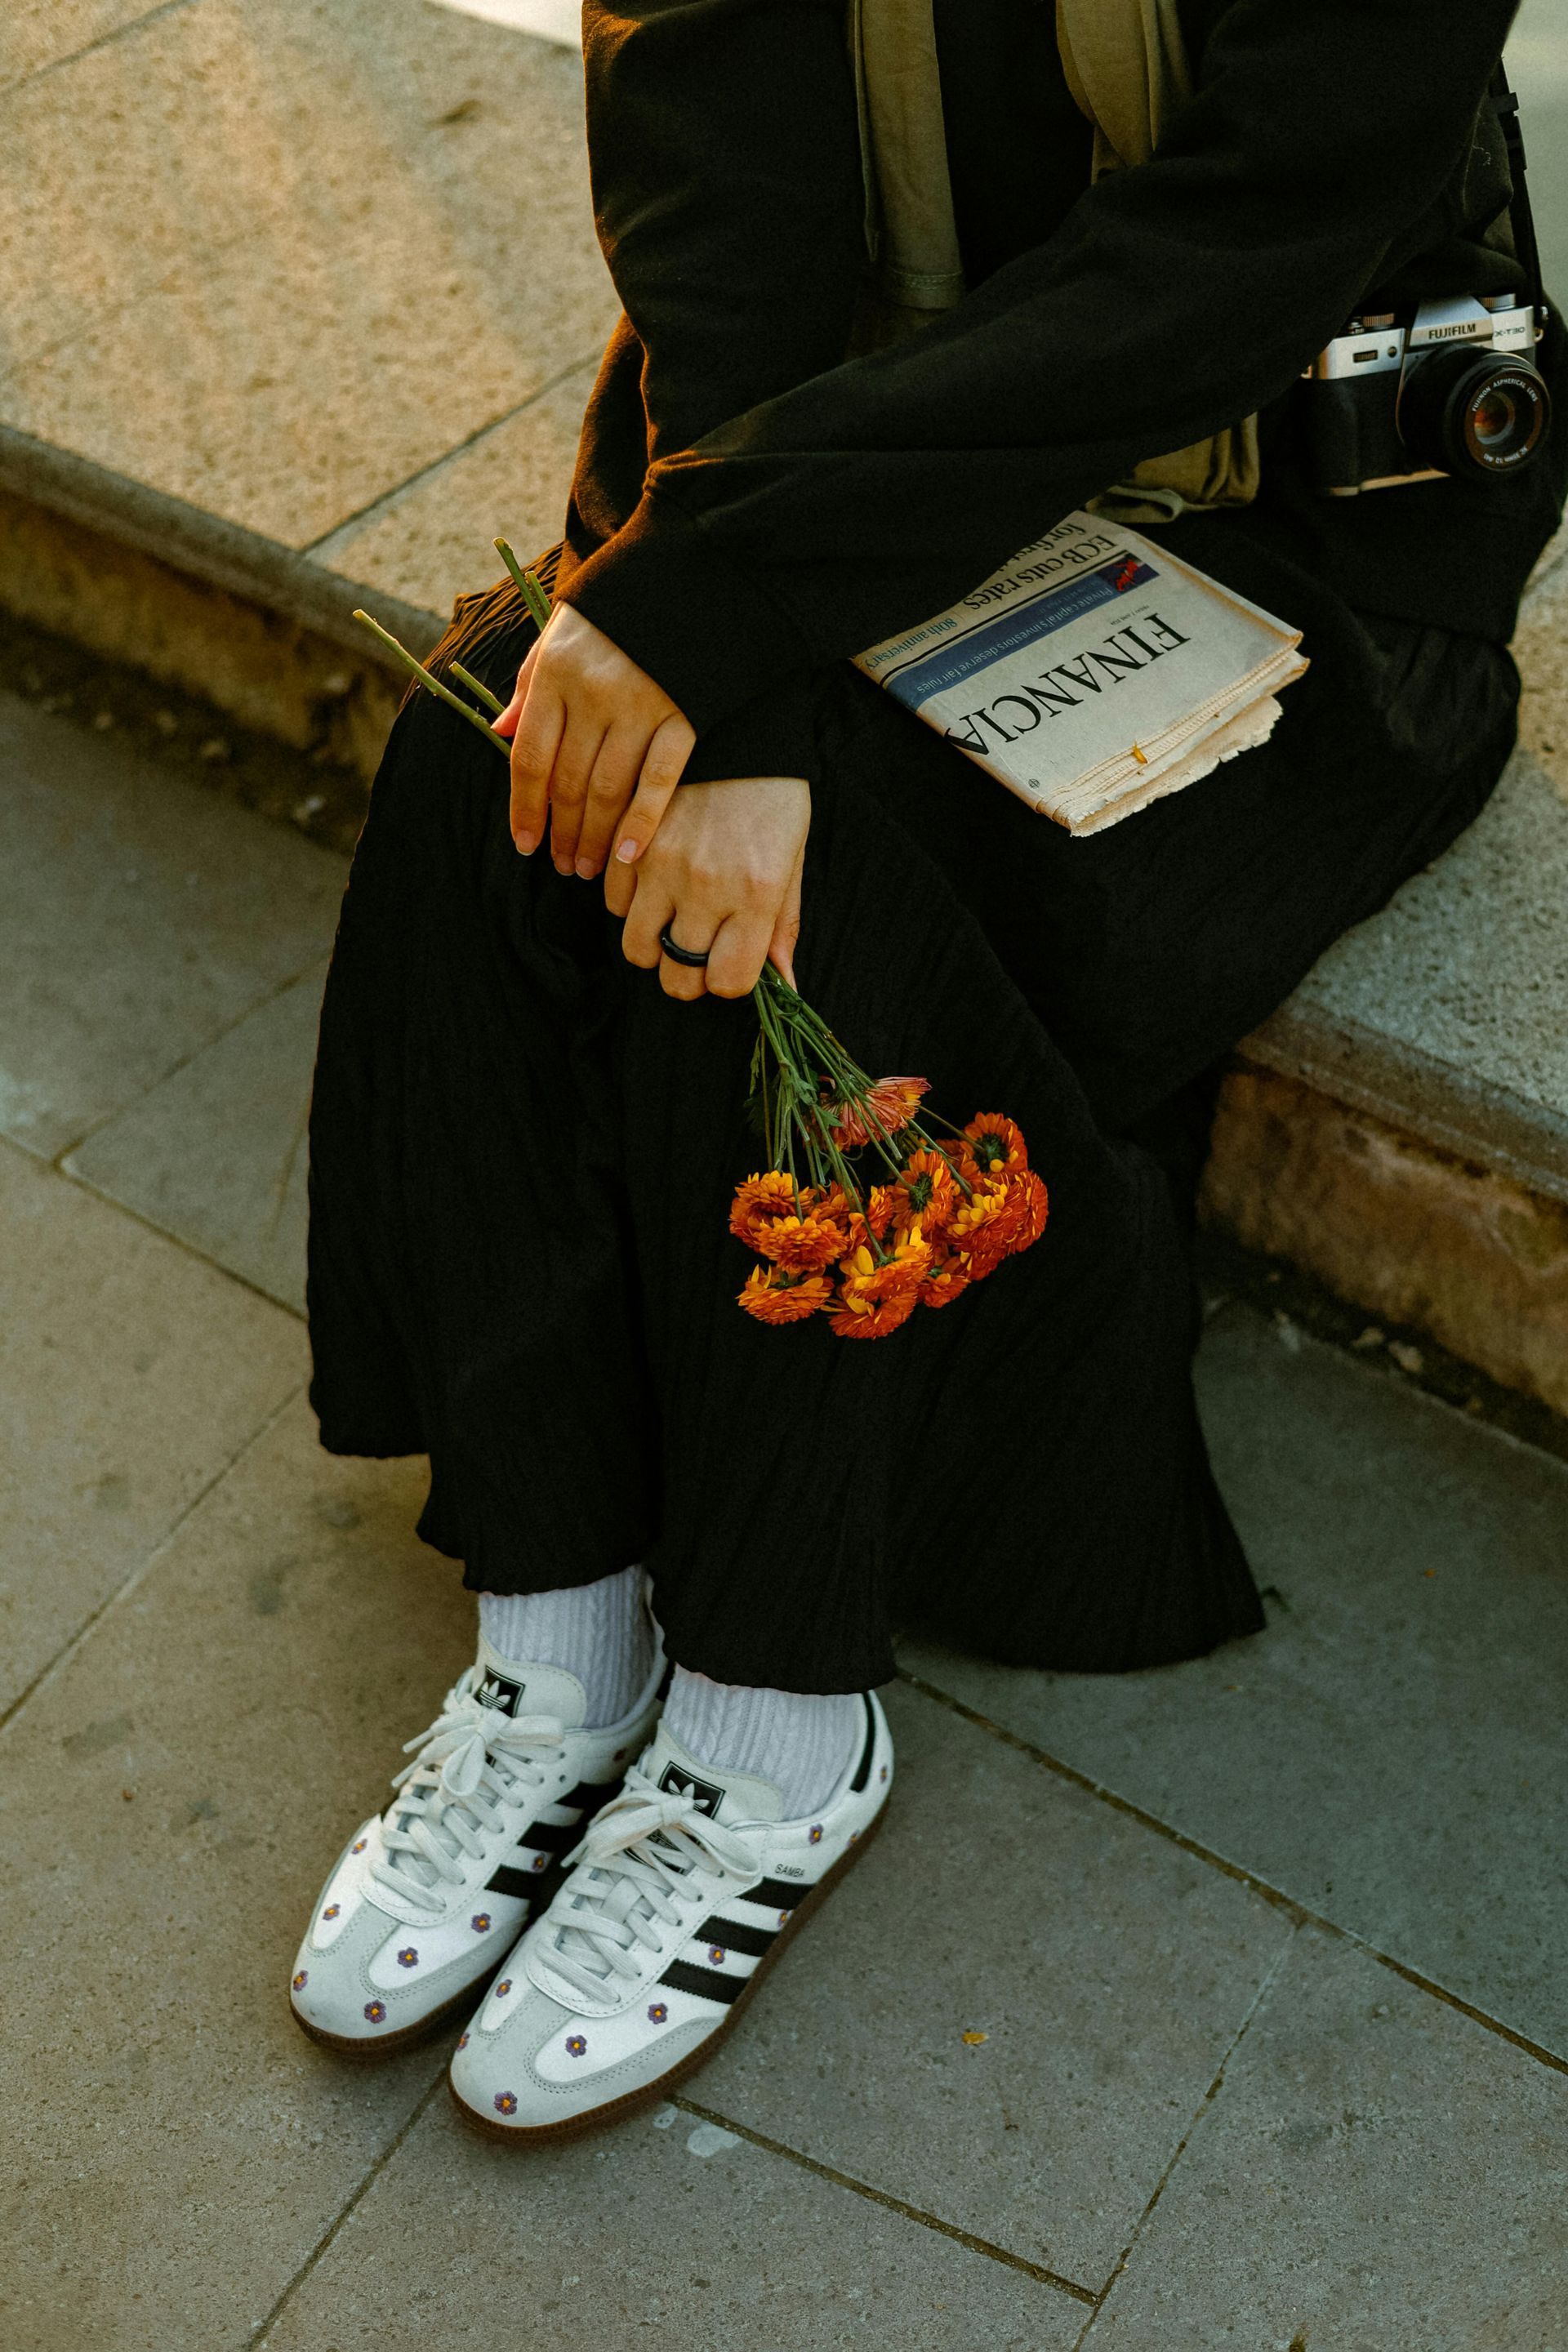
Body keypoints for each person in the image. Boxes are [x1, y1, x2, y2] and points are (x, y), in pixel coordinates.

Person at [290, 0, 1566, 2140]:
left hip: (1305, 547)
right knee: (488, 742)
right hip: (843, 471)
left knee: (846, 869)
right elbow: (719, 152)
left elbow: (1236, 253)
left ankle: (781, 1720)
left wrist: (741, 630)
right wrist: (729, 655)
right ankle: (557, 1626)